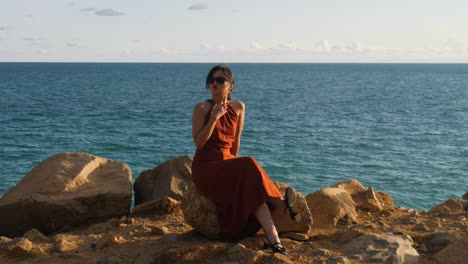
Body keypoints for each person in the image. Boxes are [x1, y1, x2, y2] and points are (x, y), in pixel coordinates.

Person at [191, 64, 300, 255]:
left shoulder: (239, 107)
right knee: (248, 164)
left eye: (220, 80)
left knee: (251, 189)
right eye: (211, 80)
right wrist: (214, 118)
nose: (214, 84)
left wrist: (236, 174)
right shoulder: (201, 108)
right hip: (205, 168)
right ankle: (281, 203)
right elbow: (199, 143)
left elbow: (235, 143)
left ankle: (273, 239)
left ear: (230, 86)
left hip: (227, 164)